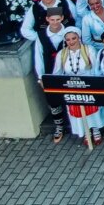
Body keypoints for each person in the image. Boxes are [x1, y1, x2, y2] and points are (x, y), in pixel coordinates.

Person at [53, 26, 104, 146]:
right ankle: (86, 131)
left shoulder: (89, 50)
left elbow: (96, 68)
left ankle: (96, 130)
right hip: (71, 87)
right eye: (68, 40)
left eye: (74, 38)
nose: (71, 42)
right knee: (77, 111)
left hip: (88, 84)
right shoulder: (62, 54)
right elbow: (57, 72)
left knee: (92, 109)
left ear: (79, 38)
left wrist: (95, 84)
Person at [32, 7, 69, 143]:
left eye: (58, 19)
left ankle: (76, 124)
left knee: (70, 98)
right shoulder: (41, 36)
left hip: (67, 72)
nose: (55, 22)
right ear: (47, 19)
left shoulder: (68, 32)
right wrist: (41, 77)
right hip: (50, 72)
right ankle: (59, 126)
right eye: (52, 20)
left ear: (62, 18)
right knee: (53, 101)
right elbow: (38, 57)